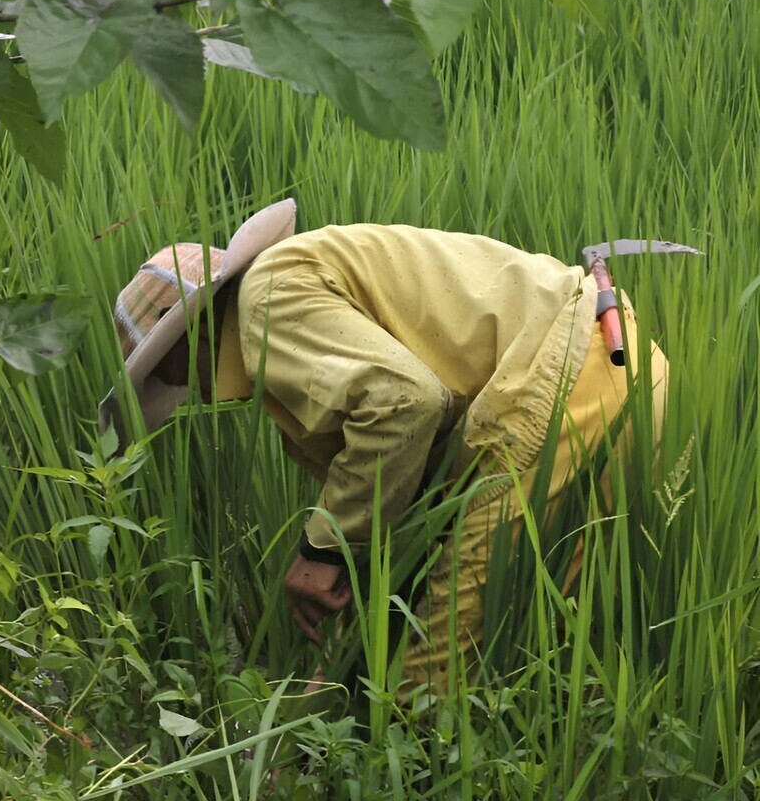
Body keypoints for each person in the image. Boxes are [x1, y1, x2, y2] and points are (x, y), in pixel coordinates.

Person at [100, 199, 668, 696]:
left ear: (187, 336)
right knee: (538, 651)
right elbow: (415, 487)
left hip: (566, 375)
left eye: (164, 373)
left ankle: (397, 778)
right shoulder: (296, 296)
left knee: (429, 686)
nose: (183, 393)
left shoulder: (266, 298)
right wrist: (341, 639)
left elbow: (407, 401)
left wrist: (321, 552)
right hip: (624, 366)